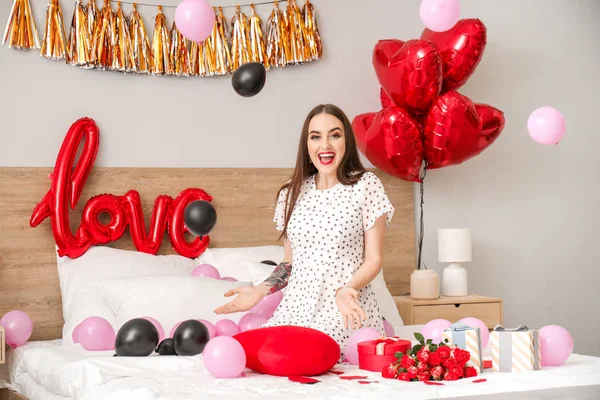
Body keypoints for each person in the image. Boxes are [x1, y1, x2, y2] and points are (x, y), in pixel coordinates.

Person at [214, 104, 394, 353]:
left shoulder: (366, 186)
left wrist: (348, 289)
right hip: (295, 309)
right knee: (256, 353)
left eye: (335, 135)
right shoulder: (292, 192)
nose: (325, 145)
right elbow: (289, 264)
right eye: (316, 137)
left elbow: (374, 259)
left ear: (346, 142)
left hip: (344, 310)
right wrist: (258, 291)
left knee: (309, 353)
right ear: (307, 145)